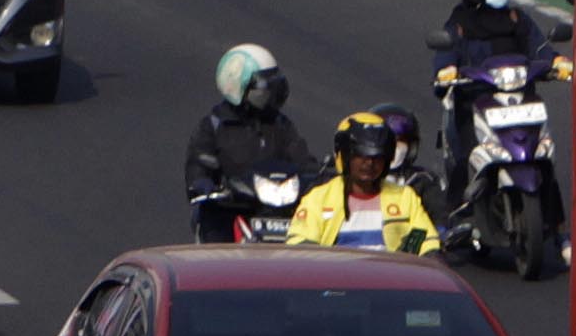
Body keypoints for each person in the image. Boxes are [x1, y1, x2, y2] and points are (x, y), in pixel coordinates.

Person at [185, 42, 312, 234]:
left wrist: (317, 177)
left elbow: (302, 159)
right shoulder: (213, 125)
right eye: (263, 89)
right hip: (229, 211)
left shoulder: (280, 124)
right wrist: (203, 185)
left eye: (273, 88)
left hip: (276, 209)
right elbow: (198, 165)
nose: (270, 95)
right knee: (213, 229)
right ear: (239, 87)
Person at [286, 109, 441, 255]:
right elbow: (299, 243)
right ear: (345, 156)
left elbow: (425, 239)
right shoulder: (318, 199)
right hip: (333, 279)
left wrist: (409, 259)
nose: (369, 164)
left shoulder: (405, 197)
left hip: (393, 280)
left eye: (377, 157)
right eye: (361, 156)